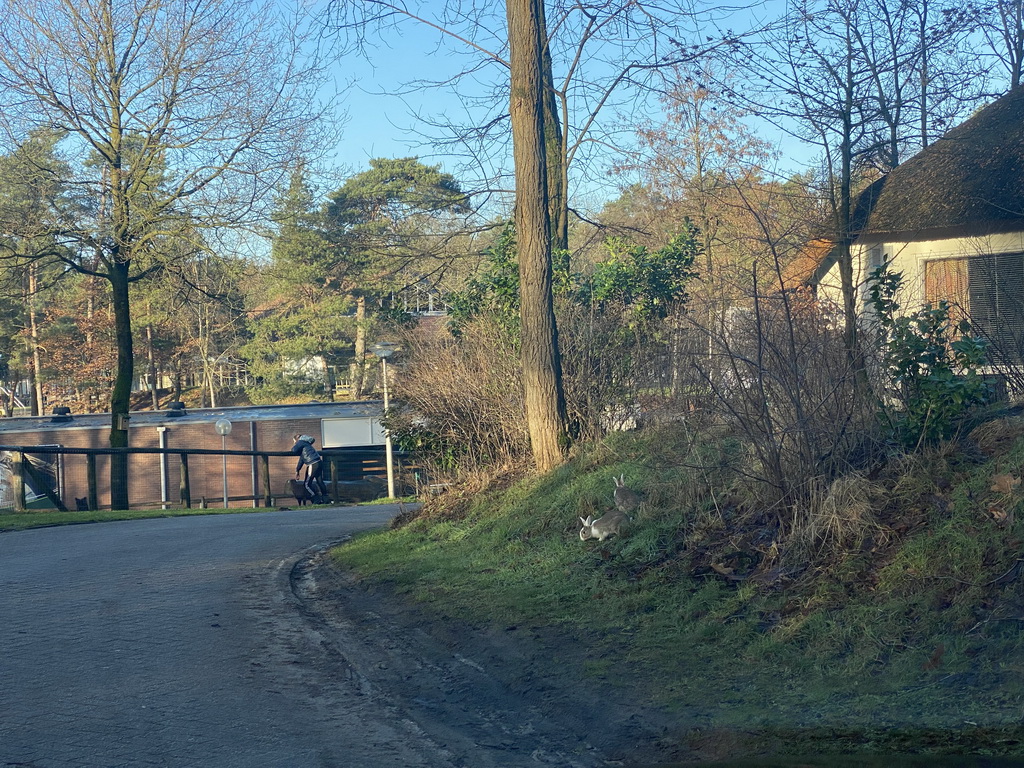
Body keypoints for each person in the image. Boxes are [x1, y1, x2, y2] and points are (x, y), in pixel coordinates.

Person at [291, 433, 327, 503]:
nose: (294, 443)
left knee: (307, 484)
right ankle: (325, 498)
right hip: (318, 462)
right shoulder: (306, 445)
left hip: (312, 463)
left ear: (296, 439)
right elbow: (301, 460)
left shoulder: (301, 442)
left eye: (294, 441)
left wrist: (296, 444)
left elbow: (293, 450)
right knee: (320, 481)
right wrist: (297, 470)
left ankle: (316, 499)